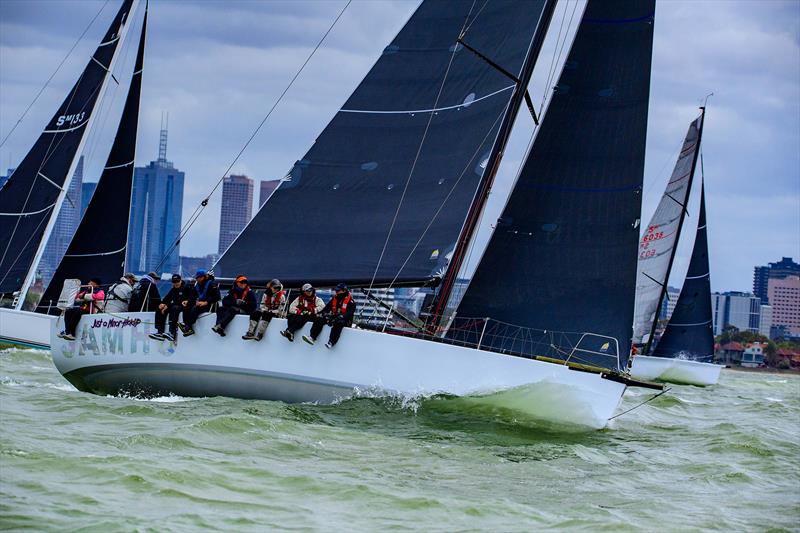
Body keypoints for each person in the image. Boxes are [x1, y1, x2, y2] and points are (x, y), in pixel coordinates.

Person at [303, 283, 356, 349]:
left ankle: (331, 342)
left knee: (339, 323)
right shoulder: (335, 299)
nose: (336, 292)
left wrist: (340, 317)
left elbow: (349, 313)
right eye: (336, 290)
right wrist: (322, 314)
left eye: (338, 290)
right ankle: (312, 337)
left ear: (344, 291)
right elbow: (327, 308)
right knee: (320, 318)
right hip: (335, 317)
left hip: (345, 320)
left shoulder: (351, 302)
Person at [149, 274, 195, 342]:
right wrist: (162, 304)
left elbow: (181, 300)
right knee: (159, 308)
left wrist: (168, 305)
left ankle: (172, 333)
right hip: (175, 305)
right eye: (174, 282)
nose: (176, 283)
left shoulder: (186, 287)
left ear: (181, 280)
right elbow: (167, 298)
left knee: (174, 308)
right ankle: (159, 332)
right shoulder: (173, 289)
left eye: (177, 281)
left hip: (185, 306)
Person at [180, 269, 220, 337]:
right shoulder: (197, 285)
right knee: (186, 306)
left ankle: (188, 326)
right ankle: (187, 326)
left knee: (195, 308)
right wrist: (187, 301)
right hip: (201, 304)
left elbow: (217, 296)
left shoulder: (212, 284)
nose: (197, 279)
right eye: (197, 278)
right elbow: (192, 297)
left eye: (198, 277)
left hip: (210, 305)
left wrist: (206, 302)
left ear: (203, 277)